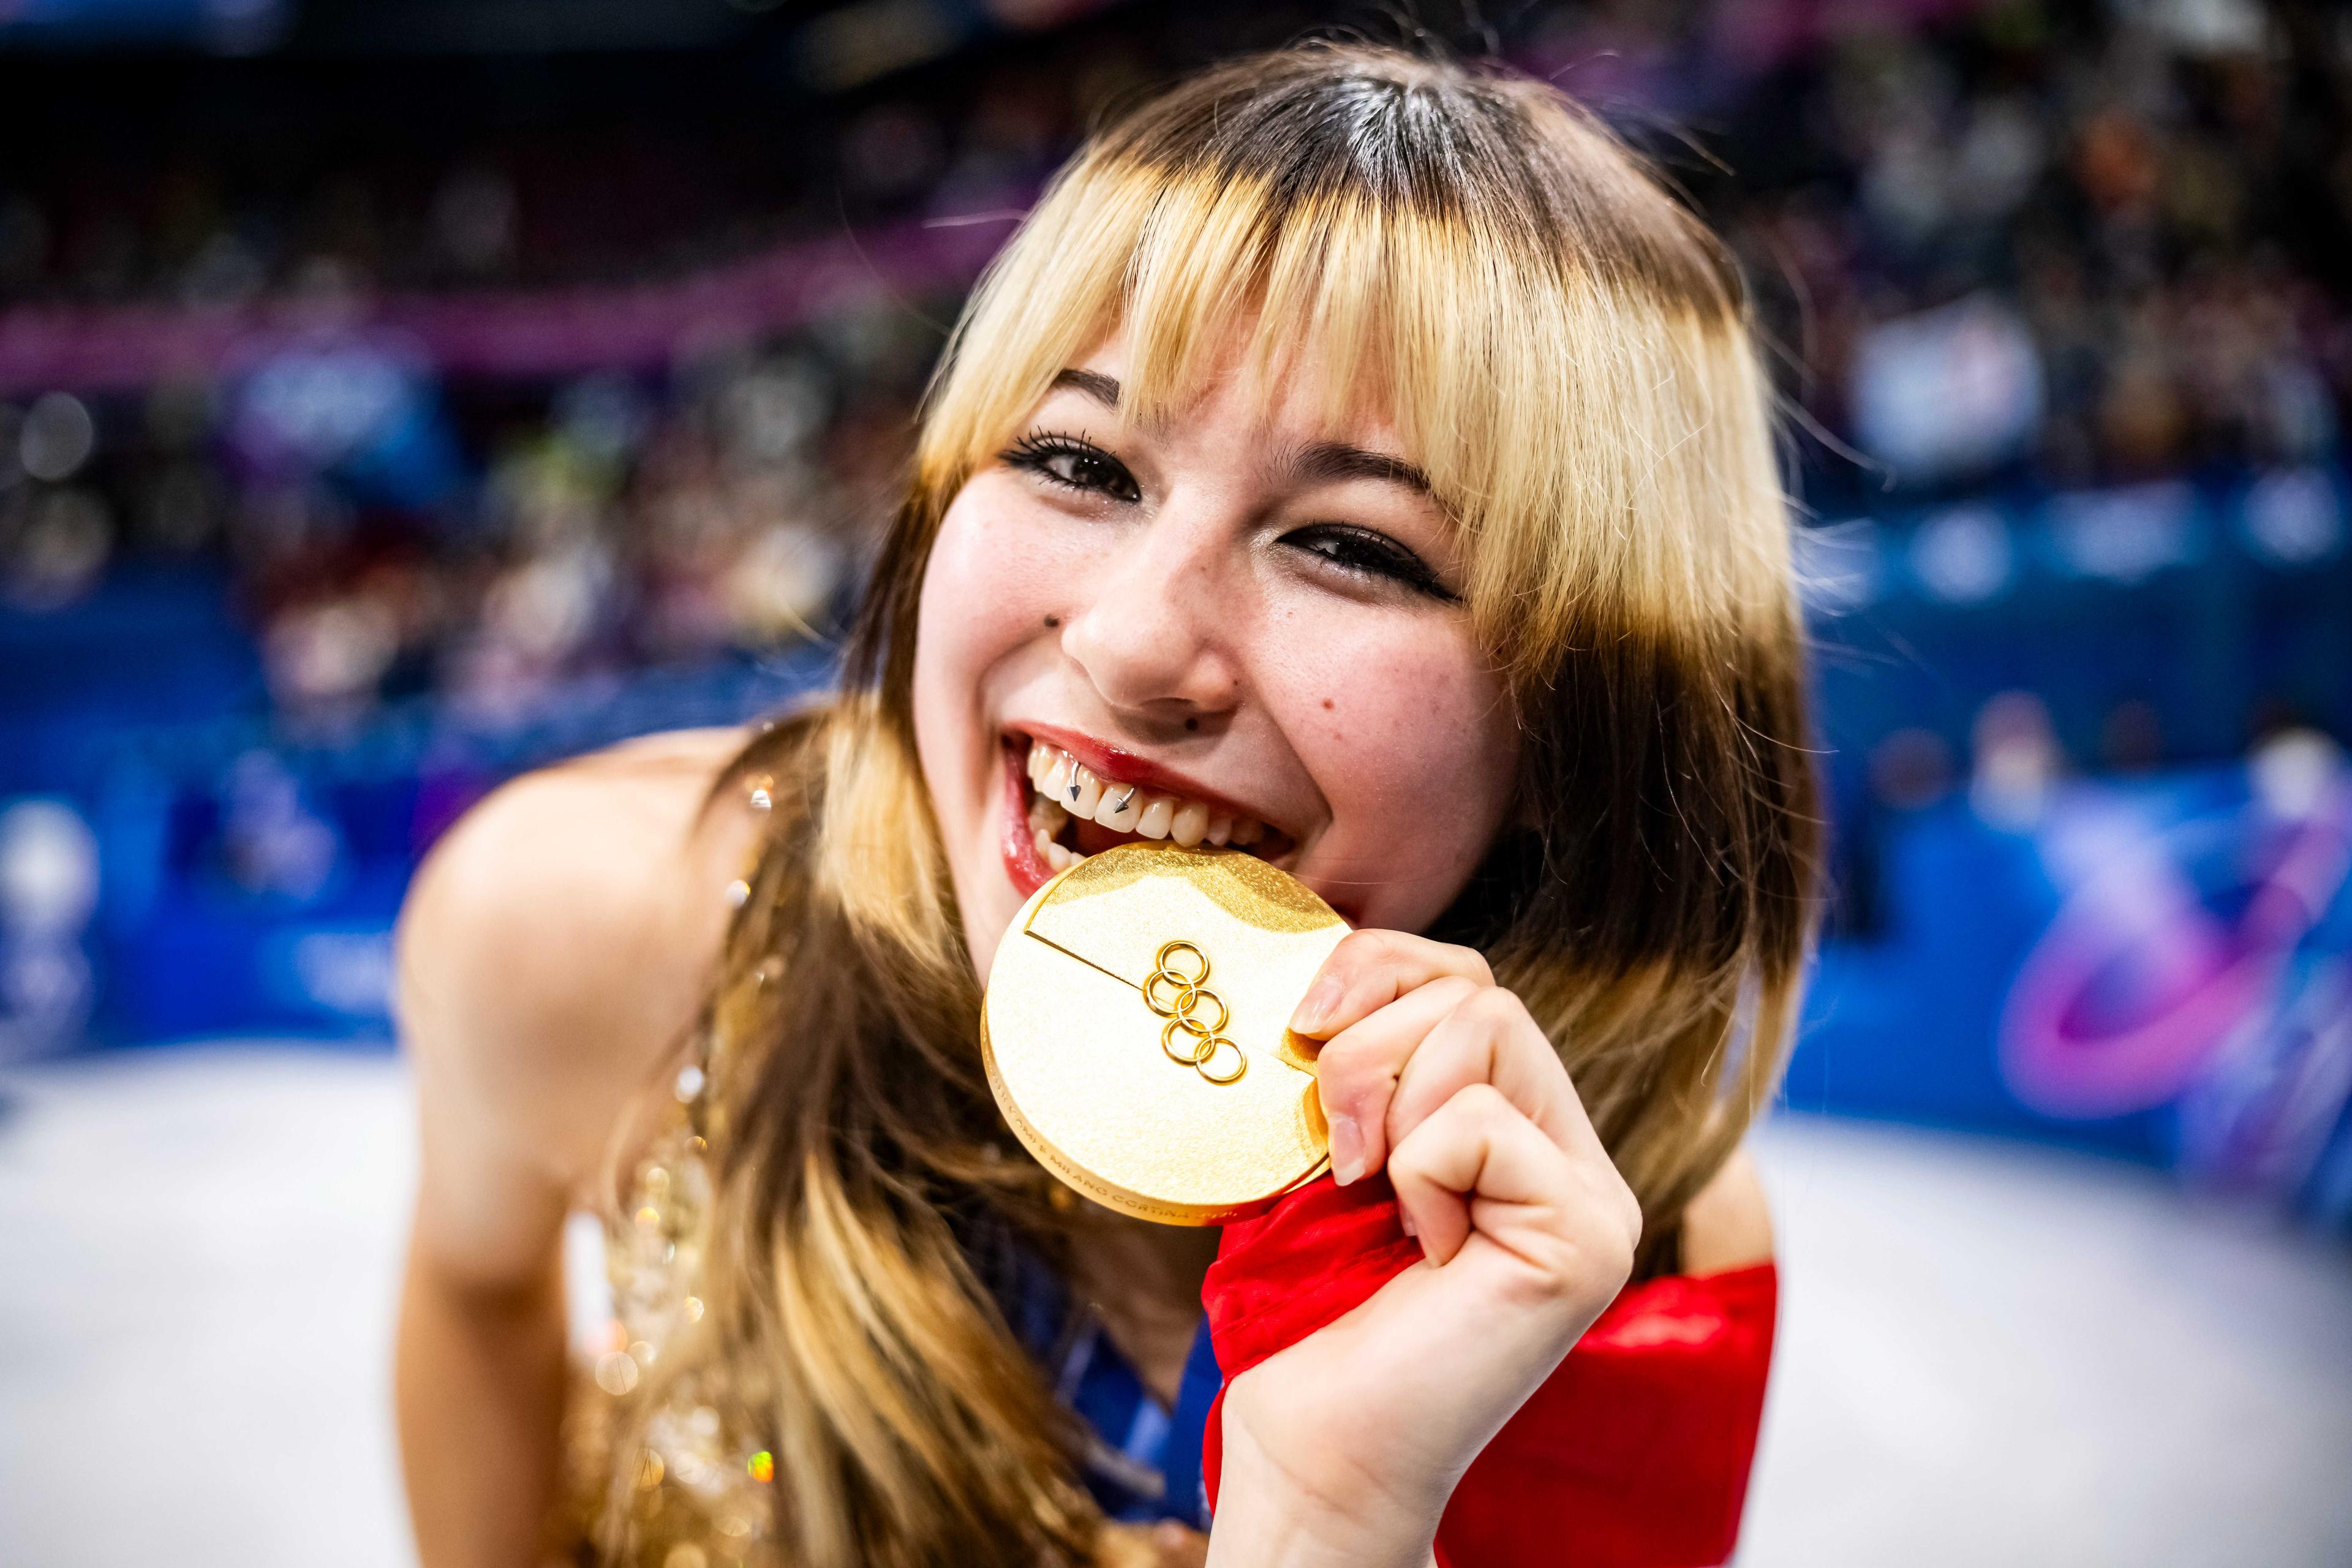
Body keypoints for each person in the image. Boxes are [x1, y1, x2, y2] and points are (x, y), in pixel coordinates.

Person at [393, 41, 1819, 1568]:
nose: (1134, 643)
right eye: (1075, 456)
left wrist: (1333, 1526)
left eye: (1356, 548)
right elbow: (475, 1295)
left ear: (1581, 729)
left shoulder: (1620, 1251)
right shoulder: (581, 926)